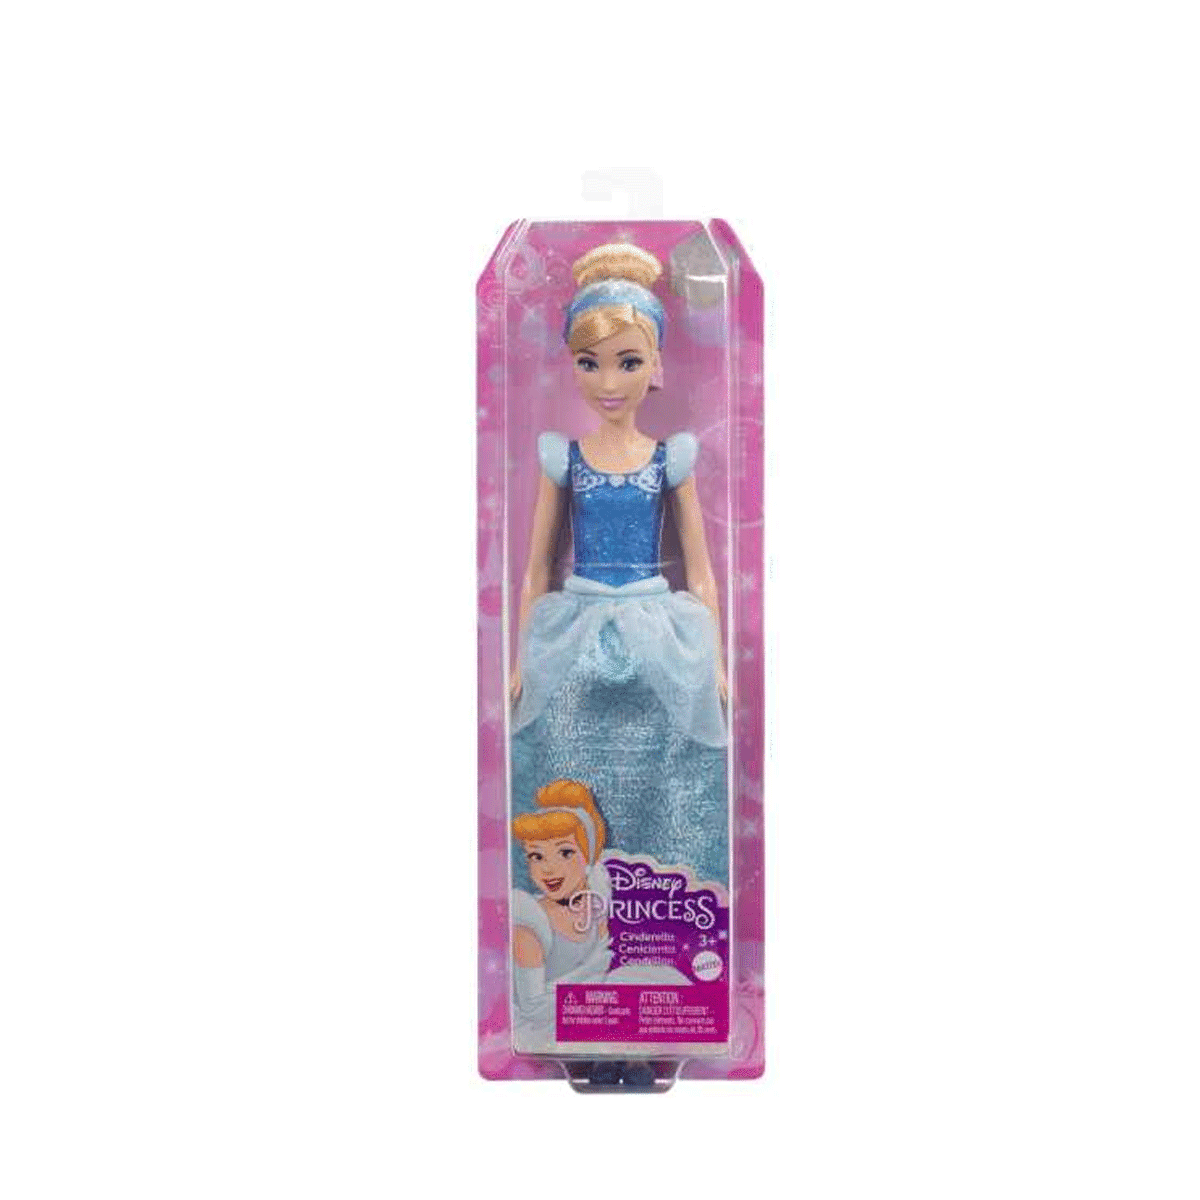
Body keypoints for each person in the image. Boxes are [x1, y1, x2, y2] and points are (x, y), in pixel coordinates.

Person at [510, 242, 728, 886]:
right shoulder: (564, 458)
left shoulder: (669, 458)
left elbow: (700, 570)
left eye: (627, 362)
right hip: (575, 627)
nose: (609, 384)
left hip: (658, 626)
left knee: (672, 765)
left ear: (654, 363)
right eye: (590, 363)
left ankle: (670, 885)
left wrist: (715, 660)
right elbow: (536, 568)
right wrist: (521, 657)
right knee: (563, 753)